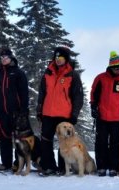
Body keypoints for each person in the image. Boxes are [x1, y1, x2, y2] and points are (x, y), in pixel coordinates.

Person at [36, 47, 84, 176]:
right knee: (46, 141)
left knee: (64, 142)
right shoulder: (47, 73)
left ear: (66, 59)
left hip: (64, 115)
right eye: (56, 58)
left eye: (61, 58)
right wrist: (39, 110)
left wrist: (74, 114)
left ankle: (63, 168)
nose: (58, 60)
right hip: (47, 113)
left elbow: (78, 97)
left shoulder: (72, 75)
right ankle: (49, 167)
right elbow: (42, 93)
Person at [90, 51, 119, 177]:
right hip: (102, 117)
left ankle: (114, 167)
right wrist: (93, 106)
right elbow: (93, 93)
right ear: (110, 67)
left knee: (116, 144)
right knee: (101, 143)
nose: (118, 70)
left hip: (118, 118)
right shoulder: (100, 78)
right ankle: (101, 167)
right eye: (115, 68)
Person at [0, 47, 29, 173]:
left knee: (18, 140)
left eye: (5, 57)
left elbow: (24, 93)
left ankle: (18, 164)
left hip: (16, 112)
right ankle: (5, 163)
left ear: (11, 58)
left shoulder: (18, 73)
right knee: (4, 139)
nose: (3, 59)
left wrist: (24, 110)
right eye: (1, 58)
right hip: (2, 112)